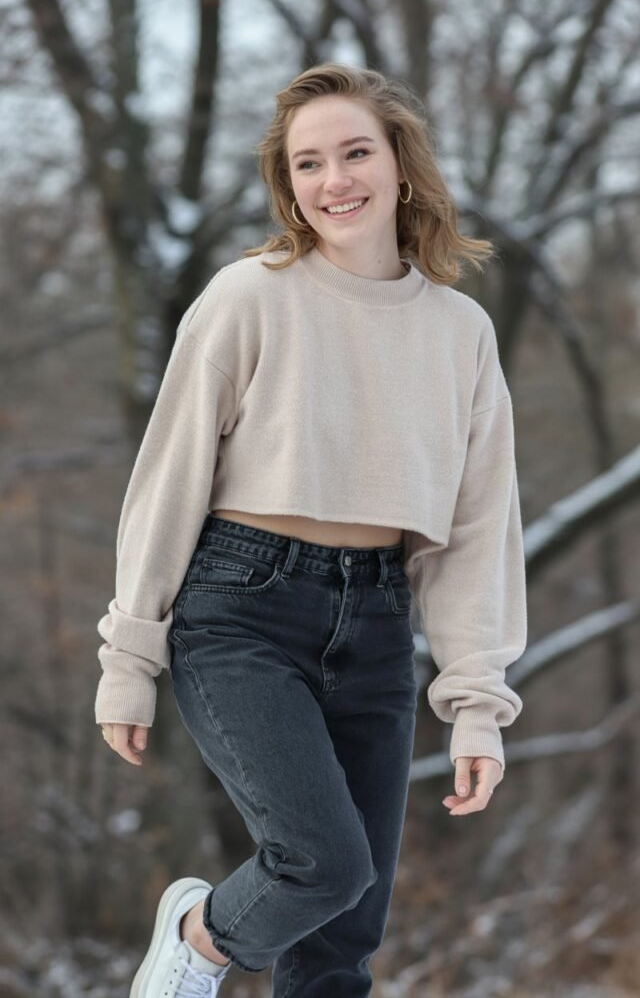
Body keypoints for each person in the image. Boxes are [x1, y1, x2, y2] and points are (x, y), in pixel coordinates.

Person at [95, 62, 527, 998]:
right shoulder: (248, 297)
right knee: (323, 865)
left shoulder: (460, 332)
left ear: (401, 166)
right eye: (308, 163)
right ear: (287, 185)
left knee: (343, 940)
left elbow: (477, 531)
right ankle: (195, 941)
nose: (335, 180)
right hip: (241, 609)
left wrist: (477, 706)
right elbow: (167, 480)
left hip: (376, 620)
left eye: (356, 152)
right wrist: (129, 657)